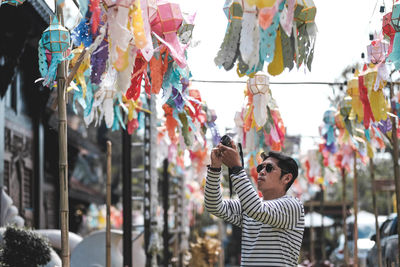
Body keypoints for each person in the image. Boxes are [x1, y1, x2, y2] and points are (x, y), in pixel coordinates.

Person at [204, 140, 305, 266]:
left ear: (286, 178)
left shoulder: (293, 205)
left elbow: (257, 210)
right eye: (260, 168)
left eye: (269, 168)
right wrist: (215, 168)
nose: (261, 172)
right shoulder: (249, 206)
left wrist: (236, 167)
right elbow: (213, 205)